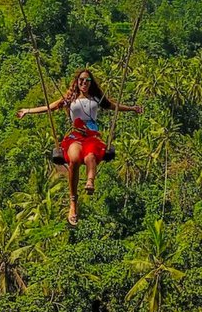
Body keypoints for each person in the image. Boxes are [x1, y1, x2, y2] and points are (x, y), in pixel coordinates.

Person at [16, 68, 143, 225]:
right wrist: (27, 111)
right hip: (75, 136)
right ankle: (73, 202)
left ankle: (90, 182)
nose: (84, 83)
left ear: (91, 83)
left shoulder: (96, 98)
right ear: (77, 82)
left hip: (92, 136)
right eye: (81, 80)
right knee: (74, 158)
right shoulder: (69, 99)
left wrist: (132, 108)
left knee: (90, 156)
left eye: (87, 80)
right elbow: (49, 107)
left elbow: (114, 106)